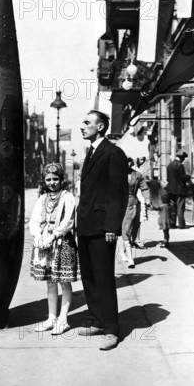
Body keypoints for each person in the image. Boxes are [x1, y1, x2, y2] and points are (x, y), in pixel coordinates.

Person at [77, 110, 128, 351]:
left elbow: (118, 193)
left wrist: (112, 226)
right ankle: (97, 320)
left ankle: (110, 329)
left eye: (87, 123)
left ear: (100, 127)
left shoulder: (113, 152)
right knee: (88, 275)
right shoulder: (91, 152)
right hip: (86, 224)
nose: (82, 126)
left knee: (104, 278)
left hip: (102, 226)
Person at [29, 163, 80, 336]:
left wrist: (53, 236)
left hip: (62, 242)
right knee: (50, 282)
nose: (52, 182)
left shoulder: (67, 197)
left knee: (63, 281)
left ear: (61, 180)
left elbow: (68, 222)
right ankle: (51, 318)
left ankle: (63, 319)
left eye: (55, 179)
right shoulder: (42, 198)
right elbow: (35, 220)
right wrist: (38, 237)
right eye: (48, 179)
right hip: (44, 243)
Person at [120, 157, 150, 268]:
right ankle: (127, 256)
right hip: (120, 204)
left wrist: (147, 199)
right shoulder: (117, 174)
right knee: (125, 228)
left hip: (133, 203)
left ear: (131, 163)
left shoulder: (137, 175)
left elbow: (145, 188)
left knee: (131, 228)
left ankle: (127, 255)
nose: (127, 164)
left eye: (129, 162)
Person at [167, 150, 189, 229]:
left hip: (171, 190)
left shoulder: (169, 165)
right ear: (181, 158)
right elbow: (183, 177)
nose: (183, 160)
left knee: (173, 207)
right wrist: (188, 177)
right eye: (183, 158)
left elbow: (168, 178)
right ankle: (181, 225)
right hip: (180, 190)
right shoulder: (180, 166)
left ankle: (172, 224)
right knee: (180, 207)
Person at [157, 179, 172, 248]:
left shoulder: (162, 205)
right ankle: (167, 242)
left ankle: (166, 243)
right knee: (167, 231)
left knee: (164, 231)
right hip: (168, 218)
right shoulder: (169, 205)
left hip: (163, 218)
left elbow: (156, 207)